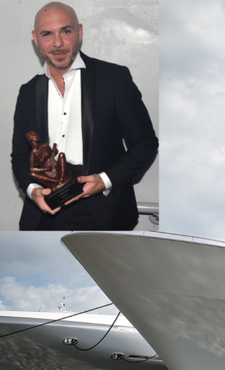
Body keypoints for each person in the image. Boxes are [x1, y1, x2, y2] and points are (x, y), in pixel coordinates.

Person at [10, 2, 158, 230]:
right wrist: (33, 191)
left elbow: (145, 144)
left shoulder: (115, 79)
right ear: (36, 39)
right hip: (43, 217)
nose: (57, 43)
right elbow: (20, 155)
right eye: (47, 34)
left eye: (65, 31)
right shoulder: (28, 92)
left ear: (79, 32)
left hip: (105, 214)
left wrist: (105, 180)